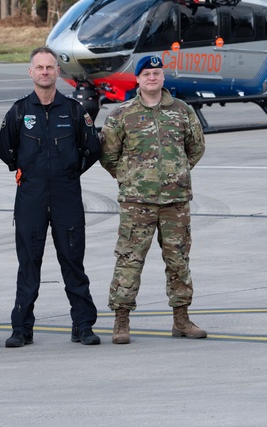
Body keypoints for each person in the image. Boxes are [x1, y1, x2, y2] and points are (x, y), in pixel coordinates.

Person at [99, 54, 207, 344]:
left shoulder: (182, 111)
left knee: (178, 260)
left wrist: (175, 172)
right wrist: (130, 177)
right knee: (129, 261)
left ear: (163, 77)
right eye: (146, 73)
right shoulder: (122, 115)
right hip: (137, 202)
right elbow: (108, 154)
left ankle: (181, 319)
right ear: (137, 78)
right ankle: (121, 321)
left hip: (176, 202)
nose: (152, 77)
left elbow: (195, 147)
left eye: (157, 73)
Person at [0, 47, 102, 347]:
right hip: (30, 196)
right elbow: (7, 151)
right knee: (28, 264)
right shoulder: (19, 112)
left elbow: (91, 149)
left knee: (73, 262)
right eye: (39, 67)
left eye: (50, 67)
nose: (44, 72)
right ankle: (22, 328)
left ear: (58, 72)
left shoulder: (73, 110)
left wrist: (68, 173)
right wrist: (31, 174)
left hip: (66, 195)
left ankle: (83, 325)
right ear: (30, 72)